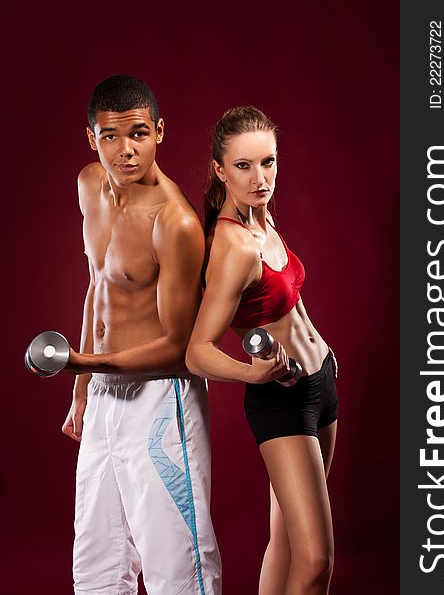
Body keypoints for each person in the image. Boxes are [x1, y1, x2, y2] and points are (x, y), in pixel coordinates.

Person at [61, 75, 221, 595]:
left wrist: (83, 365)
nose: (125, 150)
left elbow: (179, 347)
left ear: (159, 132)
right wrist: (82, 392)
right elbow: (96, 287)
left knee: (177, 567)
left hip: (160, 404)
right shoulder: (90, 186)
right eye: (110, 136)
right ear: (92, 138)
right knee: (96, 562)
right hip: (104, 395)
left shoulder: (174, 222)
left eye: (138, 134)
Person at [186, 106, 339, 595]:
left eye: (268, 162)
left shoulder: (262, 219)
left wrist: (321, 350)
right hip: (284, 398)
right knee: (315, 562)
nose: (260, 177)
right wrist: (253, 376)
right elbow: (197, 352)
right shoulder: (232, 244)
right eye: (244, 166)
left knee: (287, 541)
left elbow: (284, 298)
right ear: (219, 170)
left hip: (321, 381)